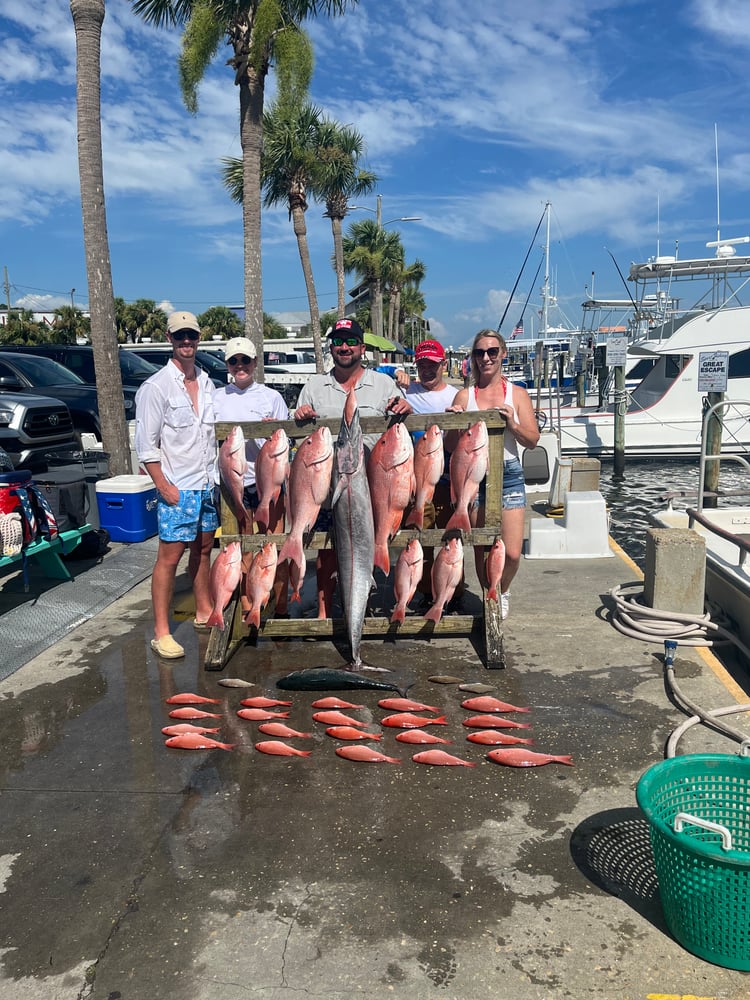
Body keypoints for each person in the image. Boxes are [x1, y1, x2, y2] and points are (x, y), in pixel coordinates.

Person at [293, 317, 412, 617]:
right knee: (326, 551)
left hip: (372, 487)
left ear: (362, 347)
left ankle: (363, 604)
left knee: (366, 545)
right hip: (325, 487)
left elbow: (405, 416)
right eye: (338, 342)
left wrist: (404, 407)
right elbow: (299, 438)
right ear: (331, 347)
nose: (344, 347)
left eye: (350, 342)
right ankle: (323, 611)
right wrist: (300, 415)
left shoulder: (384, 384)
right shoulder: (314, 386)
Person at [135, 310, 219, 659]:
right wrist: (163, 486)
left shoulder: (208, 381)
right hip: (177, 486)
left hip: (206, 483)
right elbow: (146, 446)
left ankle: (203, 611)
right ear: (169, 339)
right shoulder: (156, 387)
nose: (187, 342)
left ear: (199, 340)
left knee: (202, 550)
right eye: (180, 336)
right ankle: (161, 631)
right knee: (169, 557)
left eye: (192, 336)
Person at [448, 328, 540, 620]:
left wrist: (512, 423)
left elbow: (532, 439)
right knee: (481, 549)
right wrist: (455, 424)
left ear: (502, 354)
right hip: (474, 477)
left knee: (512, 552)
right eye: (479, 352)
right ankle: (490, 595)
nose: (485, 358)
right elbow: (450, 447)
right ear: (473, 358)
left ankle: (503, 589)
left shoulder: (518, 394)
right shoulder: (465, 395)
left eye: (491, 351)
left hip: (509, 474)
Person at [212, 336, 290, 618]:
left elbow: (286, 442)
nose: (240, 365)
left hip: (268, 483)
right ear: (227, 364)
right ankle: (248, 605)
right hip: (236, 485)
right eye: (234, 360)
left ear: (255, 362)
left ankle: (279, 606)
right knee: (241, 546)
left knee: (275, 544)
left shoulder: (272, 397)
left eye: (245, 360)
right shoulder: (217, 398)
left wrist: (273, 434)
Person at [402, 339, 459, 600]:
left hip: (447, 480)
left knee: (451, 539)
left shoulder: (455, 395)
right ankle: (423, 592)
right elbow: (376, 375)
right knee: (419, 539)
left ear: (443, 365)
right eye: (421, 364)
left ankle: (451, 594)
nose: (427, 370)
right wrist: (394, 373)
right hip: (416, 480)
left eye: (432, 364)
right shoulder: (406, 391)